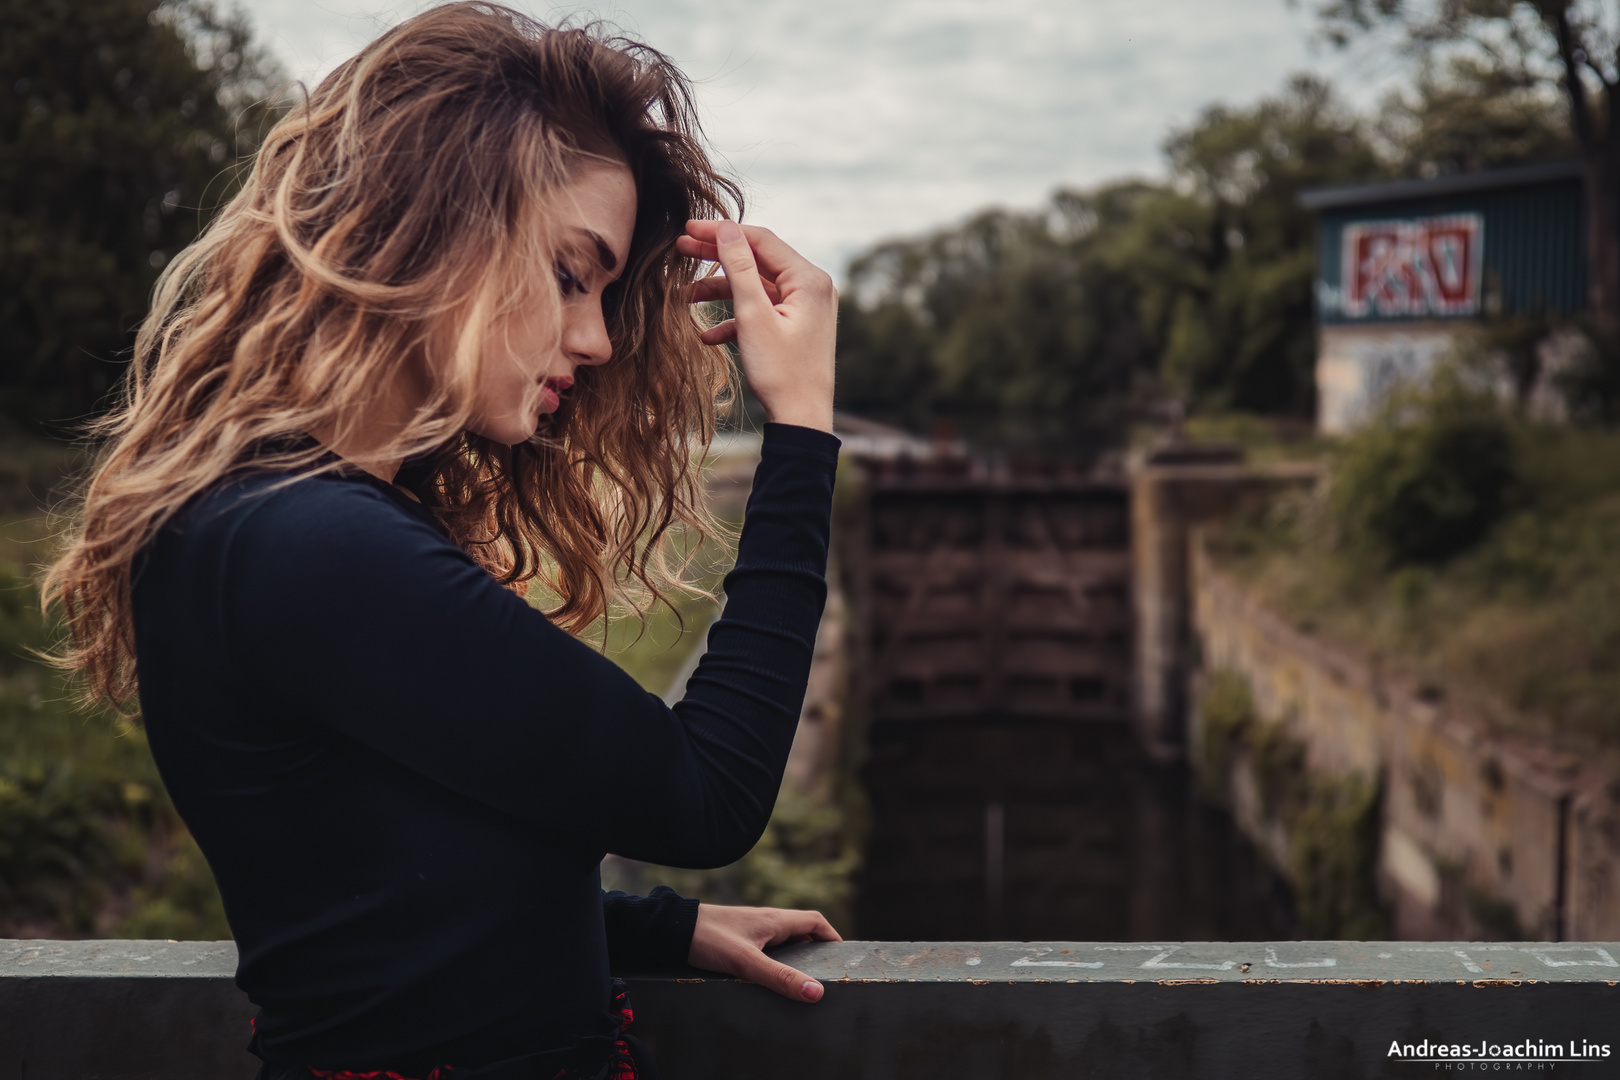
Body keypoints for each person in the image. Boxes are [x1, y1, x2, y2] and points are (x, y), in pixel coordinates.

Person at [43, 4, 843, 1078]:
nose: (597, 341)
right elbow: (705, 794)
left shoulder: (273, 520)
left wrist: (636, 930)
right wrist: (801, 428)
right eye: (572, 273)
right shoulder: (307, 543)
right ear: (438, 220)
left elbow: (365, 886)